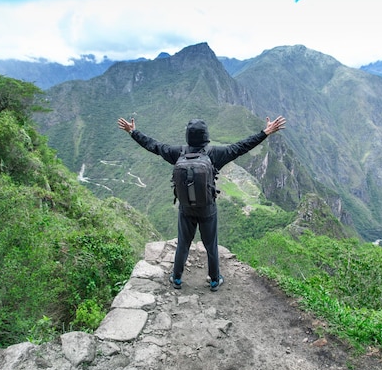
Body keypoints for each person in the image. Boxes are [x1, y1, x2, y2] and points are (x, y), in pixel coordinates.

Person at [117, 115, 286, 291]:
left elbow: (155, 146)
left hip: (186, 209)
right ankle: (214, 280)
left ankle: (176, 278)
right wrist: (265, 132)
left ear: (188, 136)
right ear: (205, 137)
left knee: (183, 243)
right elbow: (242, 147)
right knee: (211, 245)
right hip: (207, 209)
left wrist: (133, 132)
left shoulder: (178, 153)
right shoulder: (215, 154)